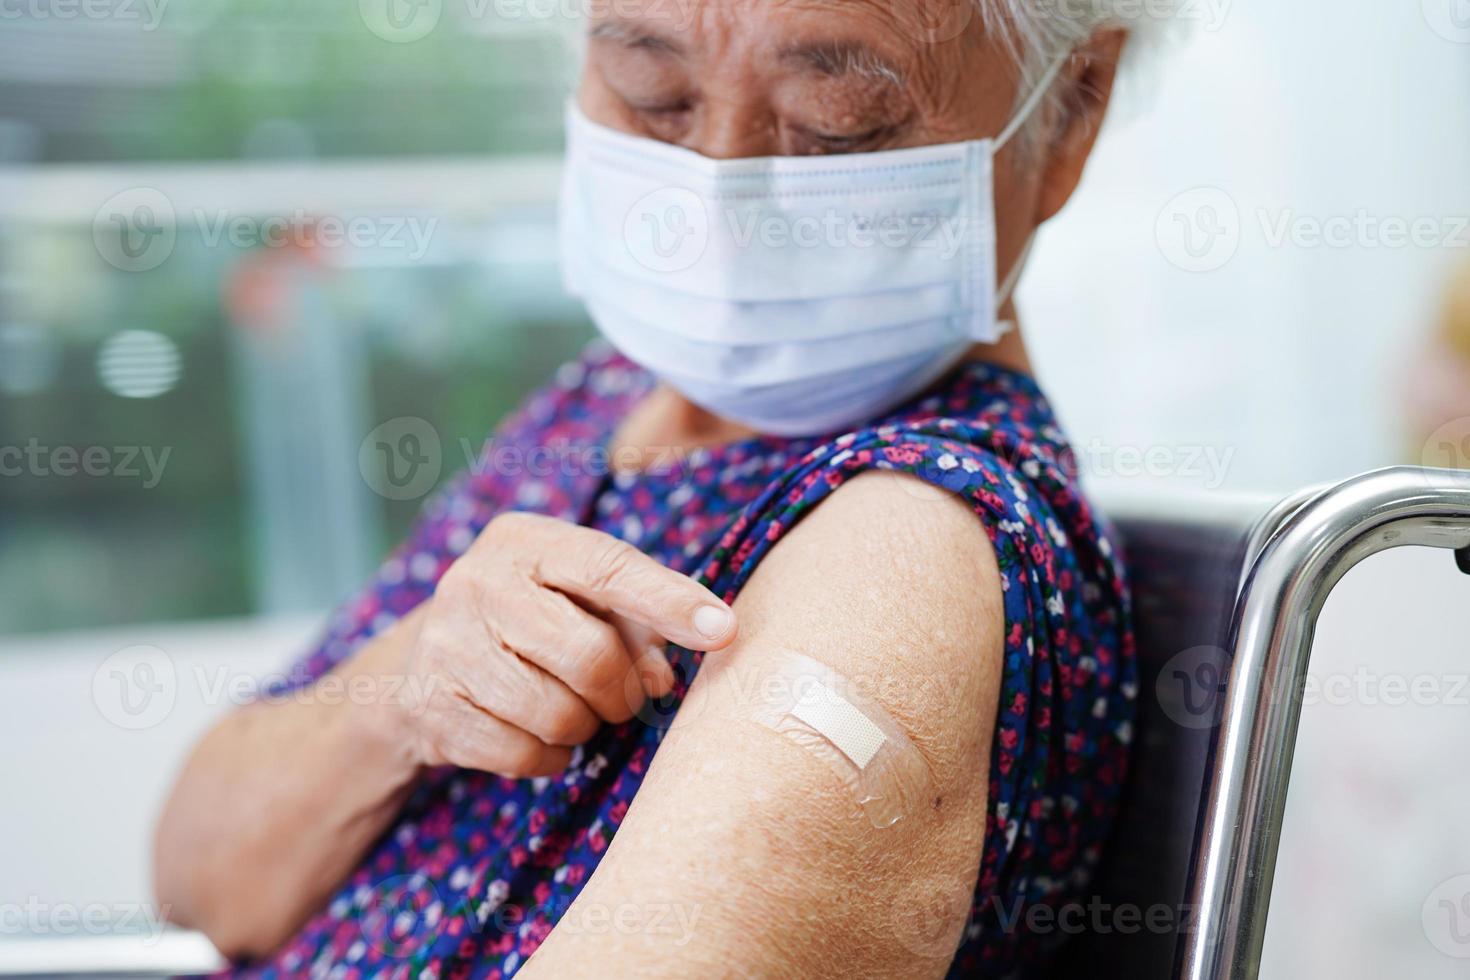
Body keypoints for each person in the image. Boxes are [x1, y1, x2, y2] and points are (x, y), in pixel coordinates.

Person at [154, 1, 1142, 975]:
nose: (715, 192)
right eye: (653, 95)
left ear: (1073, 109)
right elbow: (201, 878)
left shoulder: (909, 536)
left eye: (837, 123)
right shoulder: (607, 401)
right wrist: (400, 700)